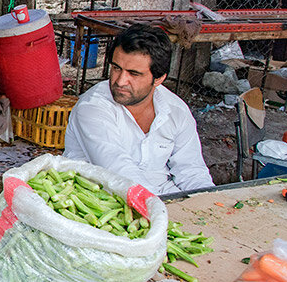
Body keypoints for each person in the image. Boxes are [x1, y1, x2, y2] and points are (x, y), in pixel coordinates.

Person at [63, 24, 214, 194]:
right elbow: (119, 171)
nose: (120, 81)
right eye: (116, 68)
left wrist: (208, 204)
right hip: (103, 199)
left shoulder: (176, 110)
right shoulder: (92, 107)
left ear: (158, 79)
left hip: (163, 197)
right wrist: (161, 209)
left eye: (133, 74)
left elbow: (191, 171)